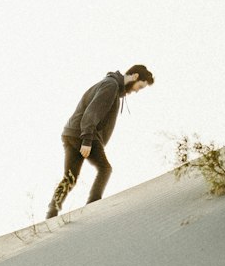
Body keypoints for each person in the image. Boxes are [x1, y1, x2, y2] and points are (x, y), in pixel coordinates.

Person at [45, 65, 154, 218]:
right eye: (139, 87)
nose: (136, 91)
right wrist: (87, 140)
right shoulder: (111, 86)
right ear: (135, 76)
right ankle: (93, 208)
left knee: (70, 177)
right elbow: (92, 112)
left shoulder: (111, 86)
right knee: (105, 169)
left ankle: (51, 212)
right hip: (83, 134)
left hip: (72, 133)